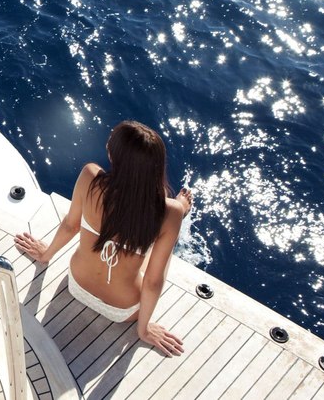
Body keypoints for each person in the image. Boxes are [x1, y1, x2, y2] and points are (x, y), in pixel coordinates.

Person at [14, 120, 193, 356]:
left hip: (76, 285)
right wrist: (144, 330)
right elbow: (153, 281)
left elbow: (70, 225)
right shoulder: (170, 212)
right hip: (124, 311)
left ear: (114, 155)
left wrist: (45, 255)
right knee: (161, 245)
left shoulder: (90, 176)